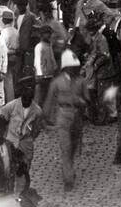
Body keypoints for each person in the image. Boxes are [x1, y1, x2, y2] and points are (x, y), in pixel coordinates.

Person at [45, 50, 89, 191]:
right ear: (65, 67)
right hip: (63, 115)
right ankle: (68, 179)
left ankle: (69, 169)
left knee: (74, 147)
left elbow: (88, 100)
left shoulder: (81, 81)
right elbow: (49, 101)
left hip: (77, 116)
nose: (75, 69)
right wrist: (45, 118)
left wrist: (82, 102)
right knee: (66, 148)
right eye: (72, 67)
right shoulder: (56, 82)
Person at [32, 24, 57, 109]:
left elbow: (52, 58)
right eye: (46, 33)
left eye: (49, 33)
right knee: (40, 96)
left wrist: (55, 67)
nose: (48, 35)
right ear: (41, 35)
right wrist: (39, 74)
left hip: (50, 75)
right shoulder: (39, 46)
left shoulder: (49, 45)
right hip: (42, 75)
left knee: (49, 96)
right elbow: (37, 61)